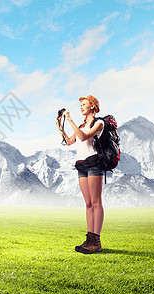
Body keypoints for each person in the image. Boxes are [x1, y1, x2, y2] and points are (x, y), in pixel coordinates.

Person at [55, 95, 104, 254]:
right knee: (88, 203)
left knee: (96, 202)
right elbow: (70, 141)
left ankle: (96, 240)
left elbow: (83, 137)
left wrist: (69, 120)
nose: (81, 107)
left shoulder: (99, 123)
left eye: (84, 104)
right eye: (81, 105)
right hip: (81, 165)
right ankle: (89, 238)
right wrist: (60, 127)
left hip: (94, 164)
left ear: (93, 106)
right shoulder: (82, 125)